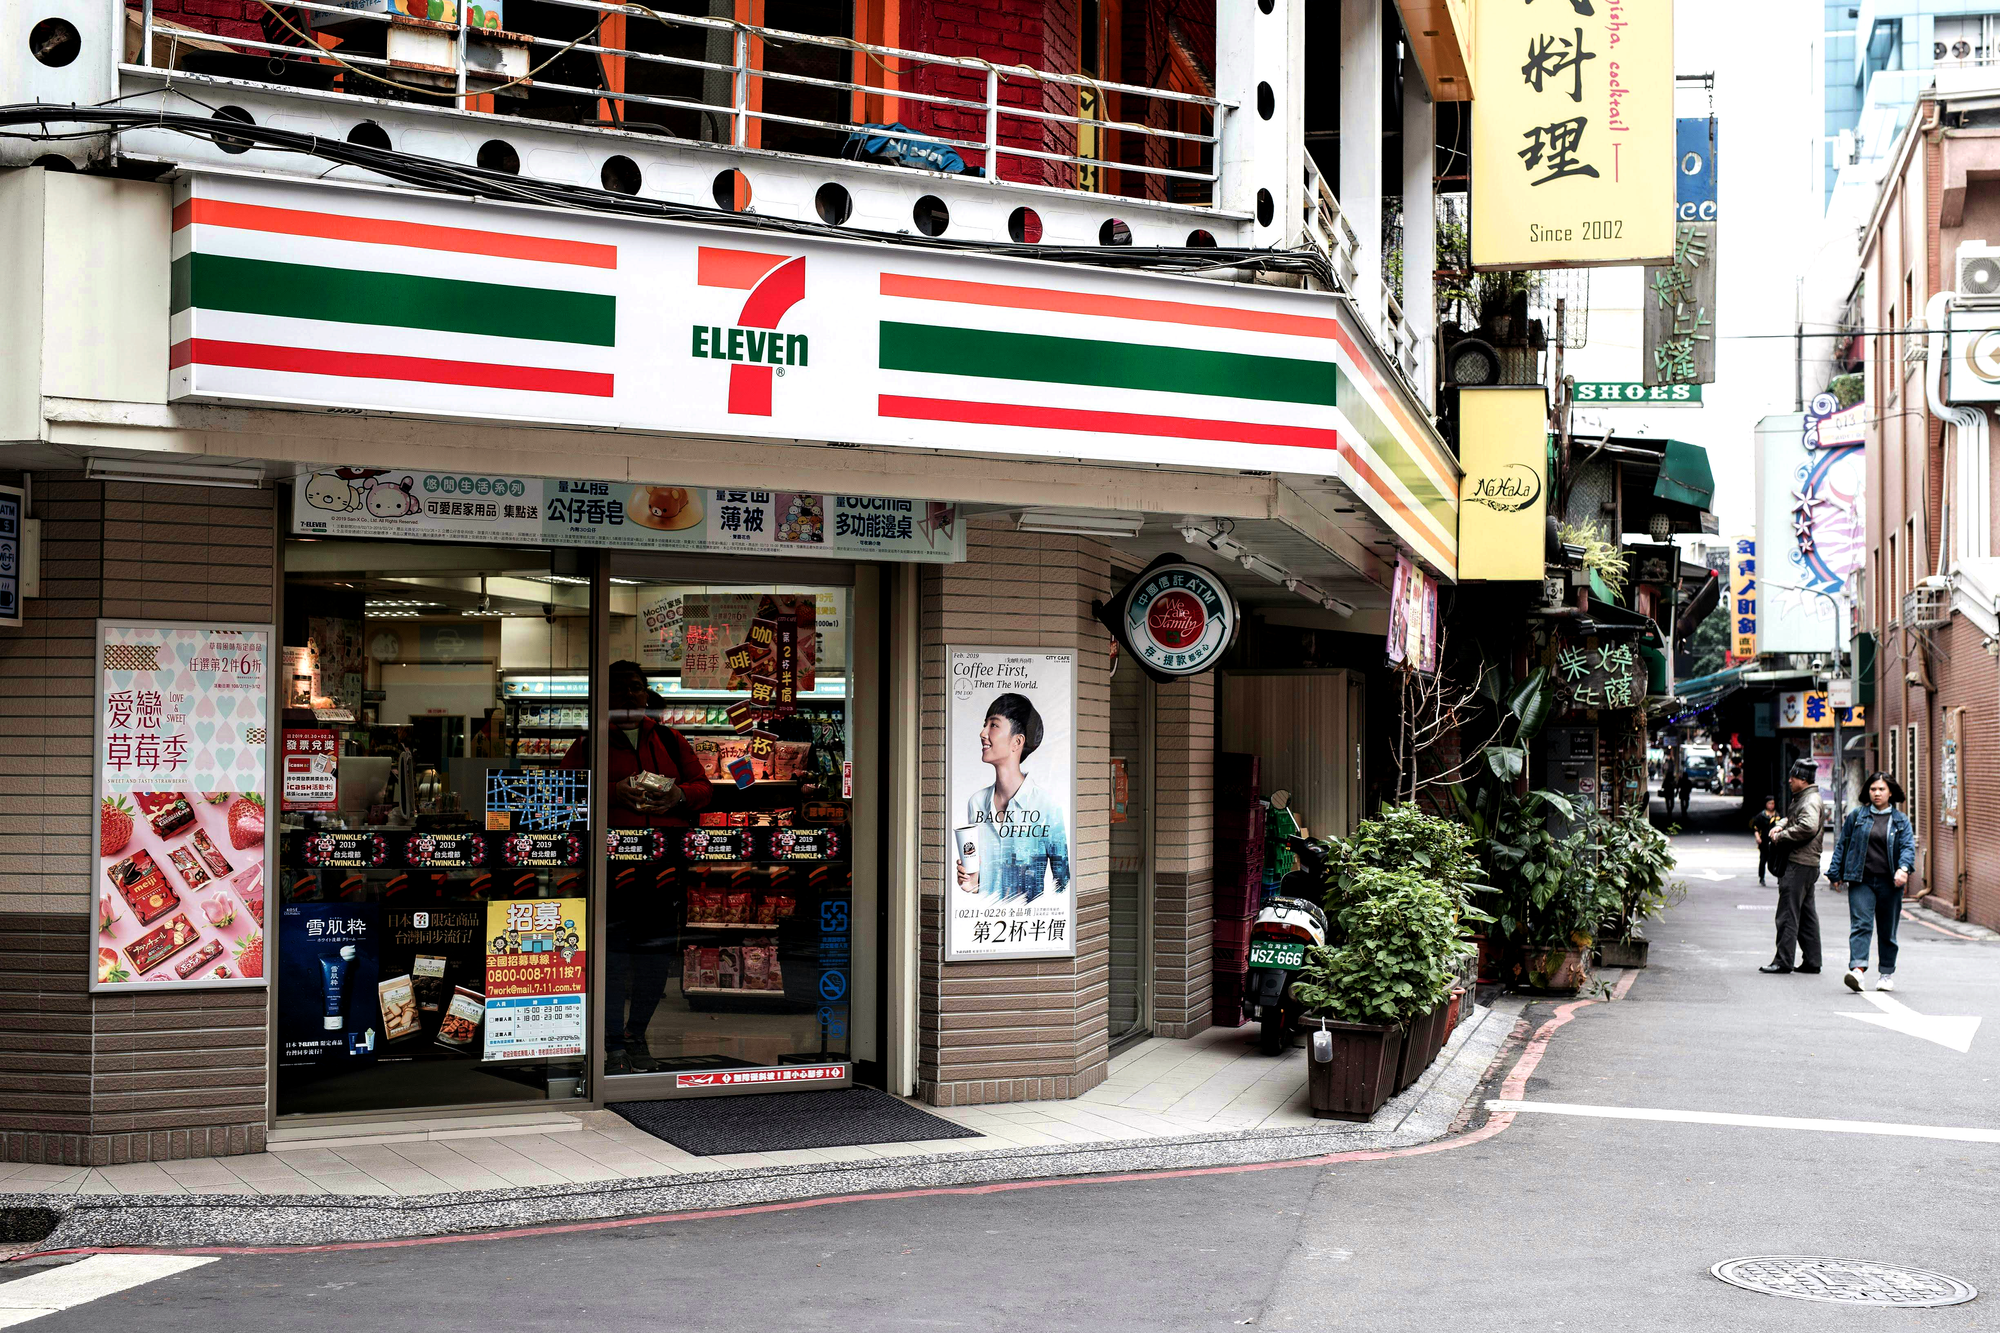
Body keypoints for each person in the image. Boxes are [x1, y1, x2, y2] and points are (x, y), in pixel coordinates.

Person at [562, 660, 713, 1076]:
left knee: (654, 957)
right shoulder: (589, 743)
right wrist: (613, 792)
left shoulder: (669, 738)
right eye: (620, 688)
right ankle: (609, 1041)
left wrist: (677, 797)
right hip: (607, 867)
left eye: (636, 687)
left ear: (646, 694)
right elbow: (562, 795)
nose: (629, 694)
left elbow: (704, 789)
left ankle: (636, 1034)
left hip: (663, 868)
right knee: (609, 956)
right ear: (605, 698)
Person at [957, 691, 1071, 902]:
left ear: (1017, 742)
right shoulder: (976, 803)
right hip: (984, 926)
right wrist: (971, 881)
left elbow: (1063, 884)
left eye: (993, 725)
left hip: (1030, 928)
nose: (983, 733)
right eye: (985, 725)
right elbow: (980, 880)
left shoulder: (1046, 806)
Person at [1828, 772, 1916, 993]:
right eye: (1873, 789)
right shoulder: (1857, 816)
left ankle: (1886, 974)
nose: (1877, 793)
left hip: (1890, 882)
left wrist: (1903, 869)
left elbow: (1907, 847)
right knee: (1861, 925)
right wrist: (1835, 872)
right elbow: (1843, 845)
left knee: (1887, 930)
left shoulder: (1900, 820)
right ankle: (1857, 970)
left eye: (1882, 789)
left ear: (1891, 793)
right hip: (1861, 880)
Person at [1760, 759, 1827, 975]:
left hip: (1799, 863)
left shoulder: (1809, 800)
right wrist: (1780, 824)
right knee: (1807, 915)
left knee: (1788, 913)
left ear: (1804, 780)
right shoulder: (1806, 798)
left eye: (1793, 777)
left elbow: (1807, 826)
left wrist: (1781, 836)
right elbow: (1794, 818)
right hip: (1808, 864)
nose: (1789, 780)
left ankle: (1783, 961)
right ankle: (1812, 961)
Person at [1749, 796, 1782, 887]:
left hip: (1775, 842)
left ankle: (1779, 877)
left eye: (1773, 803)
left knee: (1776, 861)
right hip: (1764, 841)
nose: (1771, 805)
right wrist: (1757, 837)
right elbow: (1755, 828)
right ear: (1766, 804)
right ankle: (1761, 877)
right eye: (1769, 803)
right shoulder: (1761, 816)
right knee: (1763, 860)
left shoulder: (1778, 816)